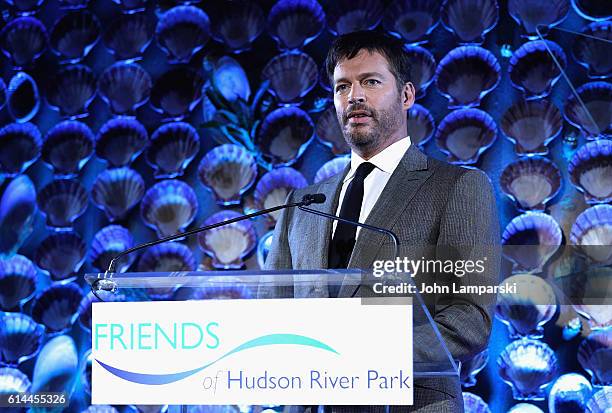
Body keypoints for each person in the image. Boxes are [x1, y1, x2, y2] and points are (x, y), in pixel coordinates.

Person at [261, 30, 501, 413]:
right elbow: (272, 316)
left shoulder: (458, 187)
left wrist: (358, 356)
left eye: (370, 81)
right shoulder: (302, 203)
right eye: (342, 86)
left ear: (406, 96)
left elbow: (470, 317)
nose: (354, 96)